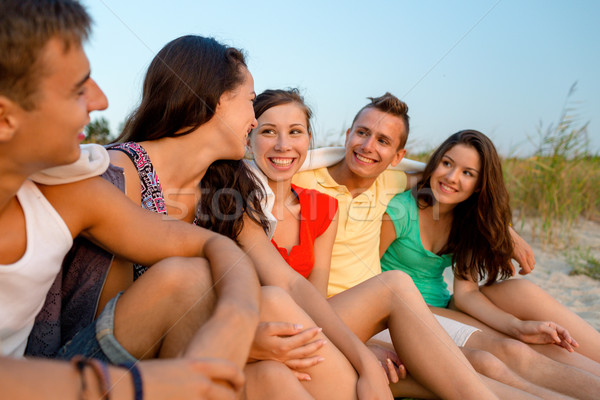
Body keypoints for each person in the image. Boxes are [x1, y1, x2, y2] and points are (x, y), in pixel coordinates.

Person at [98, 36, 504, 399]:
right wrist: (242, 337)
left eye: (296, 132)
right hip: (132, 349)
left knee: (304, 323)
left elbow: (288, 280)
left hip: (239, 324)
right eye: (249, 102)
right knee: (223, 292)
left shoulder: (224, 187)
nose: (254, 120)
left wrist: (362, 358)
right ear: (213, 101)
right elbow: (110, 312)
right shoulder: (123, 172)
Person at [248, 89, 600, 399]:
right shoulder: (304, 178)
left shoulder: (393, 180)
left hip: (386, 312)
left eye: (383, 142)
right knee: (494, 359)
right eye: (363, 134)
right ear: (348, 135)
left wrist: (506, 230)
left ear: (397, 156)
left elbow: (447, 179)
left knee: (504, 347)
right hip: (351, 312)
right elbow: (280, 159)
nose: (369, 147)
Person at [1, 1, 258, 398]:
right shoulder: (117, 172)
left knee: (185, 278)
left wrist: (235, 318)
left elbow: (210, 245)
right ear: (5, 118)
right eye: (77, 88)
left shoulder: (74, 192)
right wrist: (146, 384)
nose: (101, 101)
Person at [379, 129, 600, 399]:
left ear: (480, 185)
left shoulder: (467, 220)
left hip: (446, 303)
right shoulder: (400, 212)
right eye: (446, 163)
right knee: (514, 349)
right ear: (435, 162)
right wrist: (514, 329)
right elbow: (367, 279)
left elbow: (466, 293)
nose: (451, 177)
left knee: (522, 296)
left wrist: (517, 325)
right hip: (406, 309)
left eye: (467, 173)